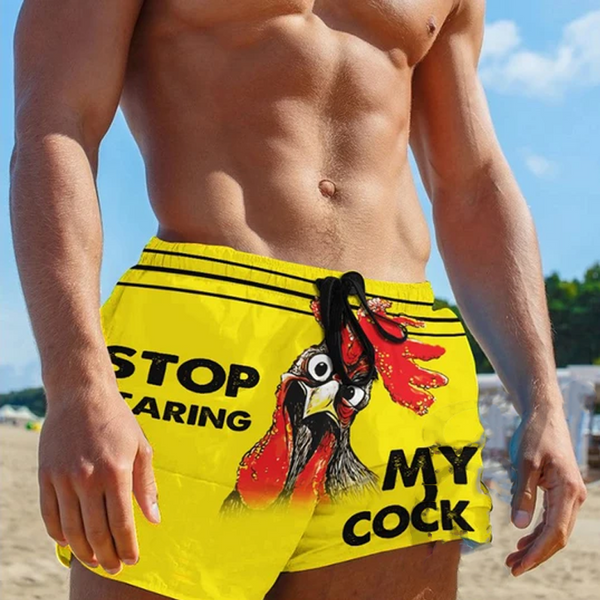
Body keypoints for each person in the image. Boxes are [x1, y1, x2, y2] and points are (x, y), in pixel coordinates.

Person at [10, 1, 587, 599]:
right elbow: (56, 125)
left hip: (396, 340)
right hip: (205, 333)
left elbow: (472, 181)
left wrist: (542, 397)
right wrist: (77, 387)